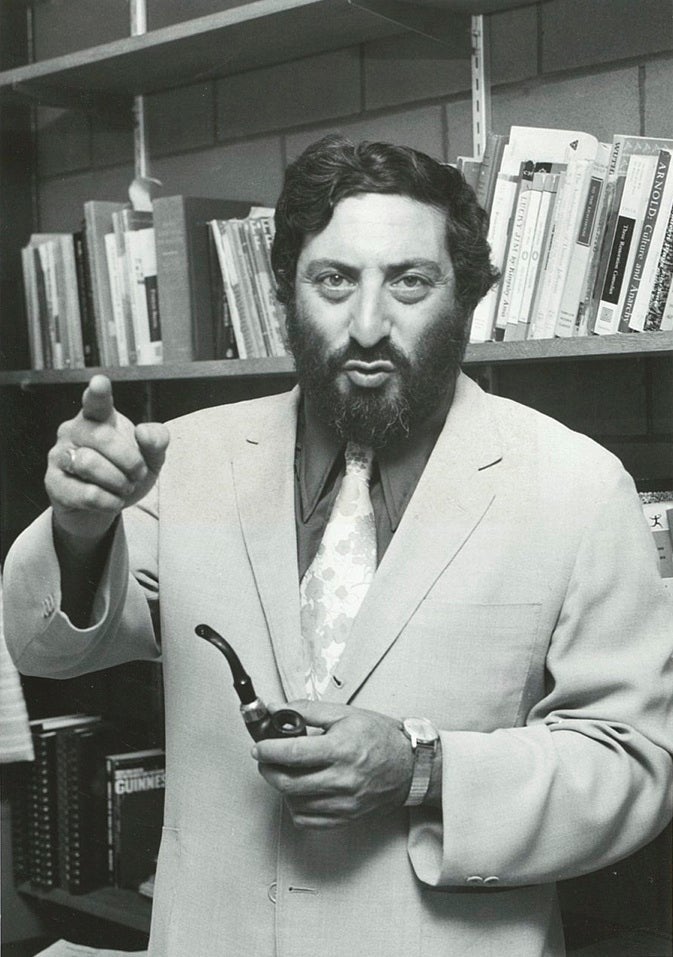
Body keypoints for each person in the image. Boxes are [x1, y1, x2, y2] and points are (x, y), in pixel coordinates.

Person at [4, 134, 672, 957]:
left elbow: (633, 767)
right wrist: (79, 527)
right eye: (333, 280)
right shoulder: (186, 459)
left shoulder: (575, 483)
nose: (366, 326)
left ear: (465, 294)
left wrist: (421, 768)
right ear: (285, 290)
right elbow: (44, 649)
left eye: (409, 281)